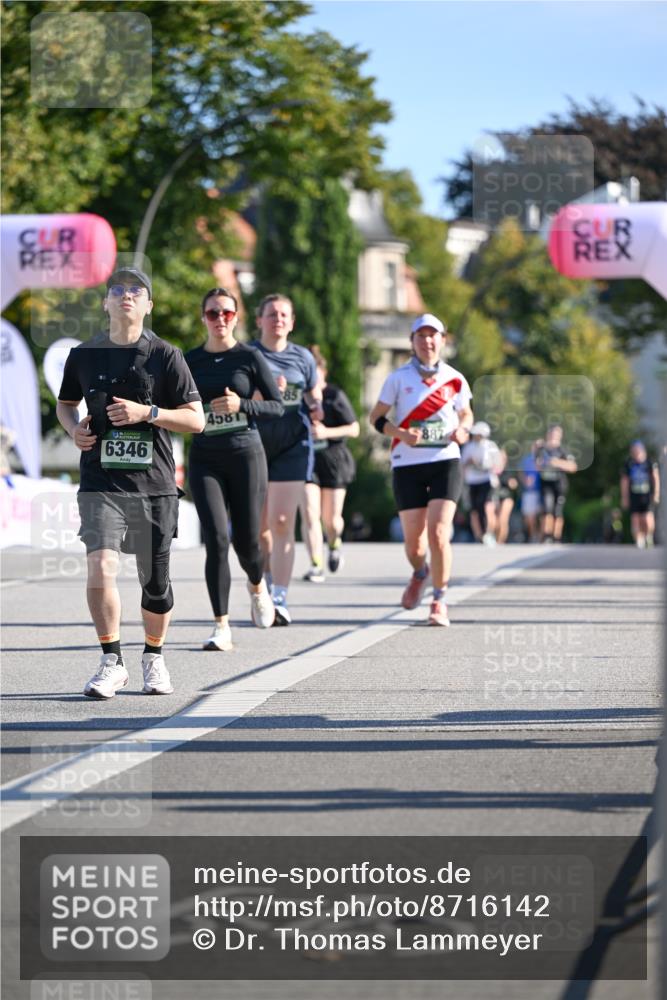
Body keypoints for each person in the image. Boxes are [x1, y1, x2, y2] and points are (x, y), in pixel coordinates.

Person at [56, 267, 205, 699]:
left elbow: (197, 420)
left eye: (136, 291)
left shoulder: (166, 356)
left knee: (154, 582)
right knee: (100, 566)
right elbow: (66, 405)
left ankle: (153, 657)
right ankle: (111, 660)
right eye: (117, 290)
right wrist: (73, 430)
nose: (126, 295)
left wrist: (149, 414)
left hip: (154, 484)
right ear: (105, 302)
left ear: (148, 305)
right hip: (100, 481)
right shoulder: (83, 355)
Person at [185, 288, 283, 650]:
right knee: (216, 540)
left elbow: (277, 406)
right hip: (205, 457)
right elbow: (170, 405)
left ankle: (258, 585)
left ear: (237, 318)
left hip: (245, 454)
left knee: (246, 542)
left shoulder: (249, 357)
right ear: (204, 318)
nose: (220, 319)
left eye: (227, 313)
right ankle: (221, 625)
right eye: (213, 313)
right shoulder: (189, 360)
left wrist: (242, 404)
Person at [368, 313, 473, 626]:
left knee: (439, 533)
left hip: (445, 460)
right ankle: (420, 572)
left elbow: (466, 414)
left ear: (442, 340)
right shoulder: (397, 379)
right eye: (421, 336)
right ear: (412, 342)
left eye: (433, 335)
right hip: (408, 464)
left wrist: (464, 431)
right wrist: (400, 434)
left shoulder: (455, 378)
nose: (428, 341)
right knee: (414, 545)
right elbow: (375, 418)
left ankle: (439, 599)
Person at [251, 294, 323, 625]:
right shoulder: (249, 355)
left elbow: (311, 391)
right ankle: (264, 584)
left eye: (284, 315)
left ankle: (279, 598)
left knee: (282, 522)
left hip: (294, 443)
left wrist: (317, 405)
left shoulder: (303, 357)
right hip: (255, 443)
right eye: (271, 314)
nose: (278, 319)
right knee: (260, 528)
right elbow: (237, 398)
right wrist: (264, 393)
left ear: (291, 322)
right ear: (259, 320)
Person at [299, 346, 359, 581]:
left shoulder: (334, 395)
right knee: (309, 513)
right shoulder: (298, 398)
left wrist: (326, 432)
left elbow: (354, 428)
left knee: (331, 520)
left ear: (322, 372)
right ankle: (316, 564)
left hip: (334, 460)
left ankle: (334, 544)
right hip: (306, 461)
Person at [460, 422, 502, 545]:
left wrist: (485, 466)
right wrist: (469, 463)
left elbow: (498, 464)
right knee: (475, 510)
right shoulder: (469, 447)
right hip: (473, 482)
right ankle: (479, 536)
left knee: (488, 508)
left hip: (487, 481)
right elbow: (463, 465)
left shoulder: (491, 446)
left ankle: (489, 533)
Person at [534, 425, 577, 542]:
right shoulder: (542, 449)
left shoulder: (563, 450)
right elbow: (536, 465)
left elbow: (573, 467)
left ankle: (556, 536)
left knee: (557, 511)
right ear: (548, 435)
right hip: (545, 483)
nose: (554, 437)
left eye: (557, 434)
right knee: (547, 509)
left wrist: (558, 463)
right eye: (552, 434)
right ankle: (546, 535)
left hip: (559, 483)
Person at [620, 440, 660, 548]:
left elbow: (655, 477)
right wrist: (624, 497)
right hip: (634, 495)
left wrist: (656, 493)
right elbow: (624, 481)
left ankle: (648, 536)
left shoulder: (649, 462)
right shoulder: (629, 463)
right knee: (635, 518)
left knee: (647, 518)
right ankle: (639, 539)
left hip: (647, 495)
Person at [520, 449, 542, 542]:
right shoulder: (527, 459)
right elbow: (520, 472)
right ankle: (533, 535)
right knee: (529, 516)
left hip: (543, 490)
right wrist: (525, 480)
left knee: (543, 515)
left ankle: (542, 536)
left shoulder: (546, 458)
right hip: (530, 491)